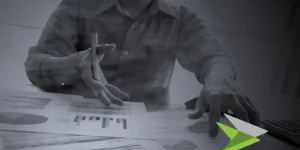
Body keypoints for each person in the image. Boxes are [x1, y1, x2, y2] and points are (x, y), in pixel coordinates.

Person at [24, 0, 260, 137]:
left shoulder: (181, 18)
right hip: (72, 131)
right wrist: (75, 64)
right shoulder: (77, 4)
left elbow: (215, 58)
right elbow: (35, 63)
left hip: (150, 138)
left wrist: (218, 82)